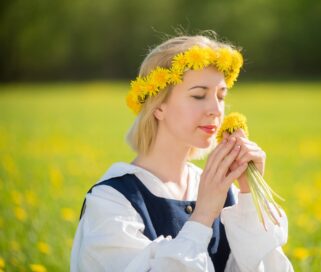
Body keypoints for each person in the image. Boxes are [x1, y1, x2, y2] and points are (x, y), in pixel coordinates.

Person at [70, 33, 294, 272]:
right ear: (158, 107)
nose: (216, 110)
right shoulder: (112, 200)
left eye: (221, 96)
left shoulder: (225, 191)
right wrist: (203, 216)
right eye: (198, 95)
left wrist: (250, 196)